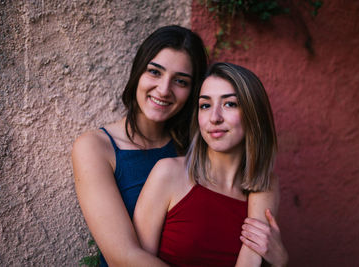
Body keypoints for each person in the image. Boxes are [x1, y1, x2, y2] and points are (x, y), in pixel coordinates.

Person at [72, 25, 286, 266]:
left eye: (181, 81)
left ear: (193, 92)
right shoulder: (96, 147)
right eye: (154, 72)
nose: (164, 90)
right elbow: (122, 257)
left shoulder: (199, 146)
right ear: (137, 73)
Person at [133, 62, 288, 267]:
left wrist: (281, 262)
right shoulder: (169, 173)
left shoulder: (264, 186)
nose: (214, 118)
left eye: (230, 104)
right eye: (205, 105)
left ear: (253, 114)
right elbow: (132, 261)